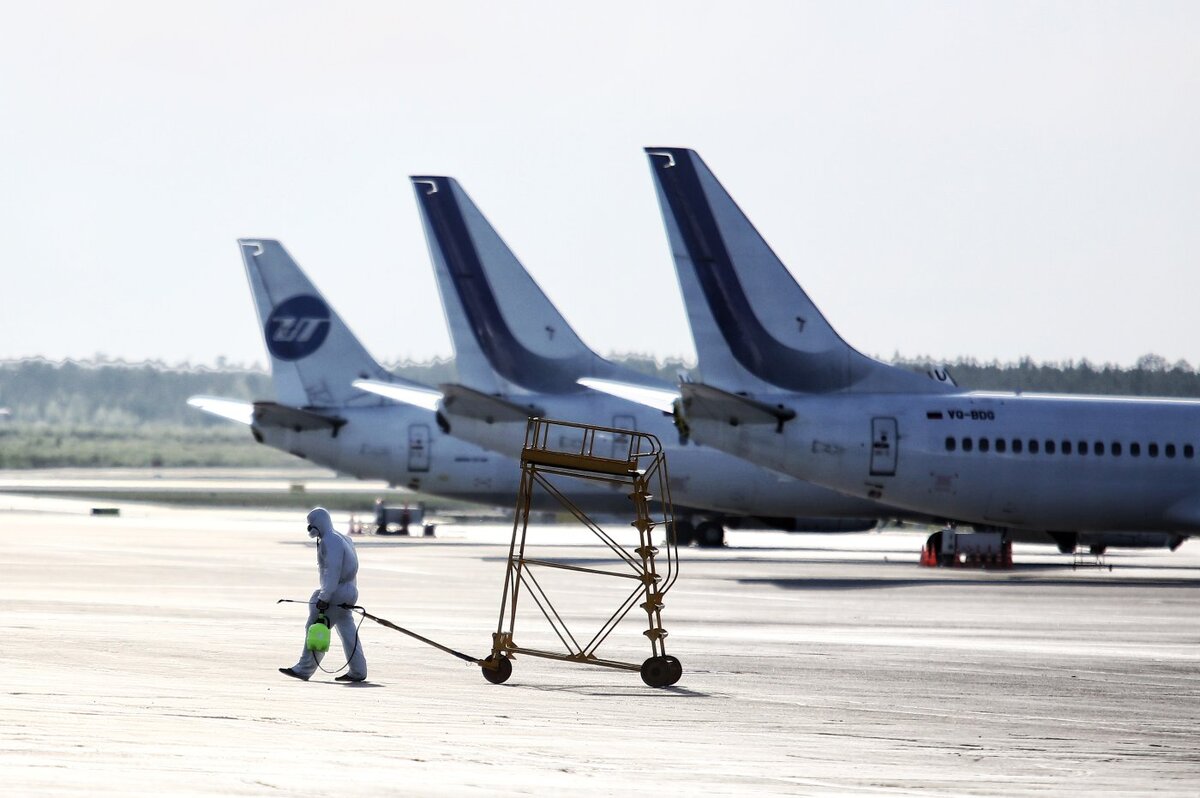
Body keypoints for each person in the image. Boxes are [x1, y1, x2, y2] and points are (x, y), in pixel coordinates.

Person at [279, 507, 368, 682]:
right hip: (349, 590)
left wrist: (324, 597)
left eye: (310, 525)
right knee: (347, 629)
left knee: (316, 626)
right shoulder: (343, 538)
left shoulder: (330, 541)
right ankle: (358, 670)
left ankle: (304, 669)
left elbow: (332, 571)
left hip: (337, 591)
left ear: (318, 524)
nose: (309, 529)